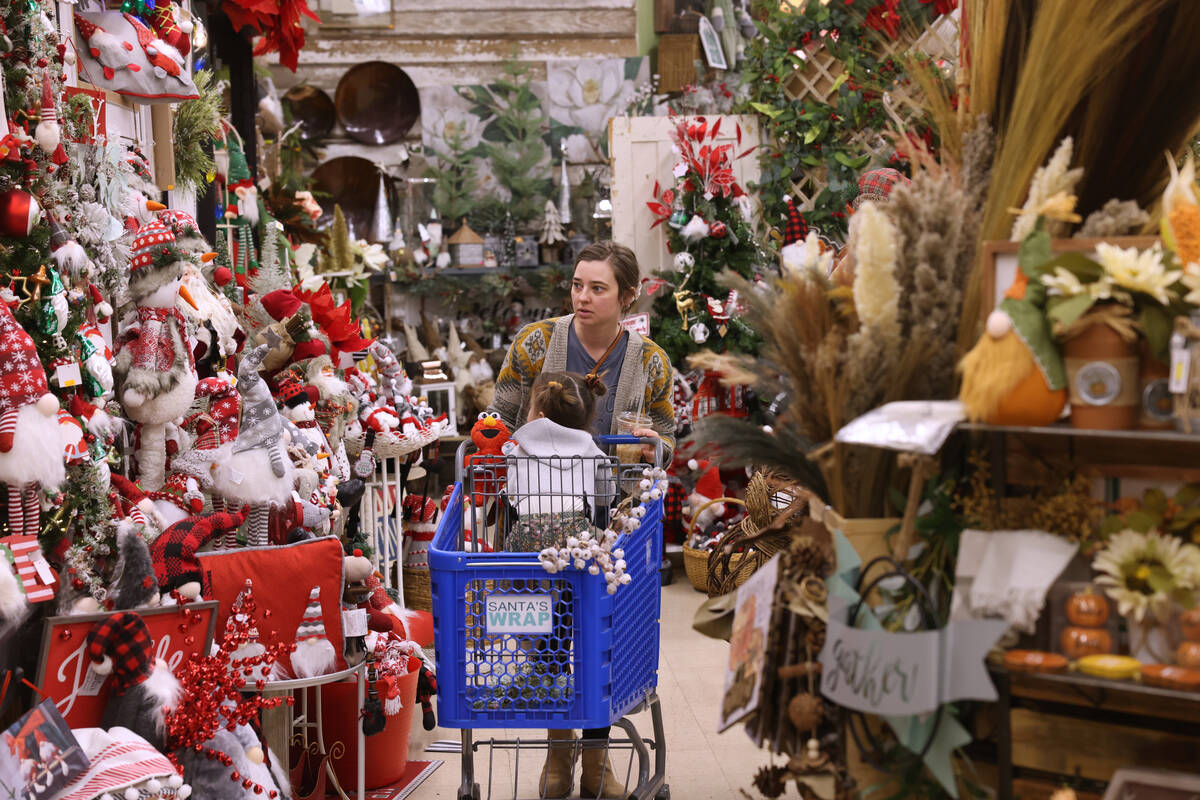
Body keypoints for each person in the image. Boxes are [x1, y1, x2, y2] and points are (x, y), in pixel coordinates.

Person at [502, 371, 623, 798]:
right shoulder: (593, 453)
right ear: (588, 415)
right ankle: (590, 760)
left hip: (529, 574)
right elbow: (606, 503)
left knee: (549, 653)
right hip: (581, 570)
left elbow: (506, 498)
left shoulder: (513, 450)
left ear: (534, 411)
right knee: (594, 652)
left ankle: (565, 754)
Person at [491, 240, 676, 464]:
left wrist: (655, 448)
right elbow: (499, 420)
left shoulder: (652, 361)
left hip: (619, 496)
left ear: (626, 296)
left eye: (597, 288)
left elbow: (665, 438)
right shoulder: (535, 342)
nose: (582, 297)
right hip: (537, 492)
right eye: (577, 285)